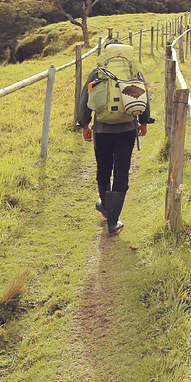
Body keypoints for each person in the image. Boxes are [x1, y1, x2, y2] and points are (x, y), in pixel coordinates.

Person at [77, 37, 153, 235]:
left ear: (106, 53)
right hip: (127, 129)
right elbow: (143, 95)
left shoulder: (97, 72)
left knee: (103, 169)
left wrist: (84, 124)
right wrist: (144, 122)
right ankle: (113, 221)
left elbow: (85, 98)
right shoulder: (133, 71)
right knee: (121, 171)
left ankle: (104, 206)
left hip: (101, 130)